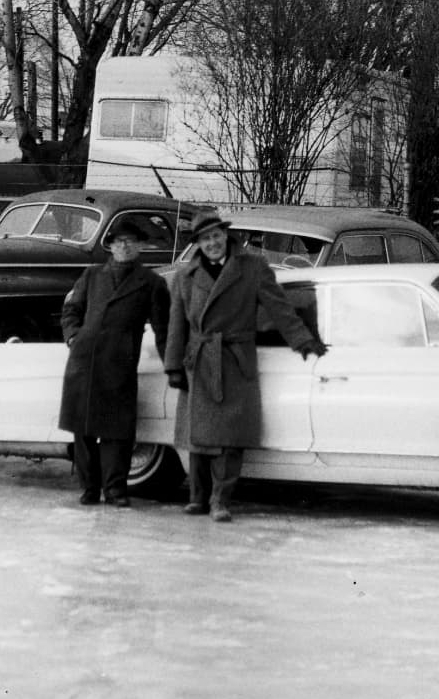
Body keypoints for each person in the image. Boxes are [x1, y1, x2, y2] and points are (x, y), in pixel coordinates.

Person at [163, 212, 325, 522]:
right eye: (205, 238)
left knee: (230, 437)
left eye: (216, 236)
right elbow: (176, 325)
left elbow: (280, 307)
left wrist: (303, 340)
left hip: (234, 360)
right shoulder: (186, 276)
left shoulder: (252, 267)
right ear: (197, 243)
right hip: (198, 361)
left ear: (226, 236)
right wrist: (173, 365)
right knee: (198, 438)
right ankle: (197, 497)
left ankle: (220, 500)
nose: (212, 243)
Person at [58, 220, 171, 507]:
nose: (124, 246)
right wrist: (73, 337)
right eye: (119, 241)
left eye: (131, 241)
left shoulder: (152, 284)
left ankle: (116, 490)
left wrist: (173, 364)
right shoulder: (92, 275)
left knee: (117, 433)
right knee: (83, 432)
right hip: (84, 364)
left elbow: (164, 329)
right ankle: (89, 489)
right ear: (110, 245)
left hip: (119, 366)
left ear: (141, 245)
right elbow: (71, 310)